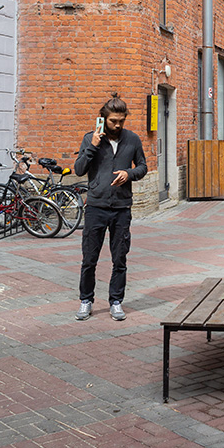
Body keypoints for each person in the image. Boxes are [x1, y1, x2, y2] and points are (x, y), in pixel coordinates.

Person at [74, 93, 147, 321]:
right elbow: (79, 169)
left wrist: (129, 174)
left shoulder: (132, 139)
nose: (117, 125)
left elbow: (143, 166)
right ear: (103, 118)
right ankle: (86, 300)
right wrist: (93, 146)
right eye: (113, 121)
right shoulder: (90, 138)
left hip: (121, 208)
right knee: (89, 259)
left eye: (121, 121)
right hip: (96, 207)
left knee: (120, 258)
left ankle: (116, 301)